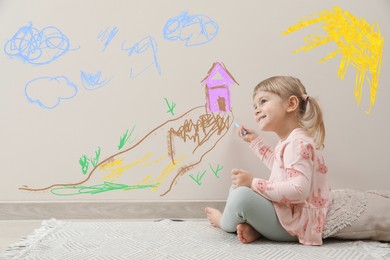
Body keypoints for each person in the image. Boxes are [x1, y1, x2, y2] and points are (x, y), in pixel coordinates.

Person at [205, 76, 330, 246]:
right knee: (237, 187)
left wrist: (253, 183)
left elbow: (299, 190)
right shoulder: (291, 140)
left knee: (241, 194)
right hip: (290, 216)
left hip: (296, 225)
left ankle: (224, 223)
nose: (256, 110)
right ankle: (256, 229)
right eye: (255, 106)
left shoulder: (296, 144)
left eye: (263, 101)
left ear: (291, 104)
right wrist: (254, 141)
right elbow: (279, 167)